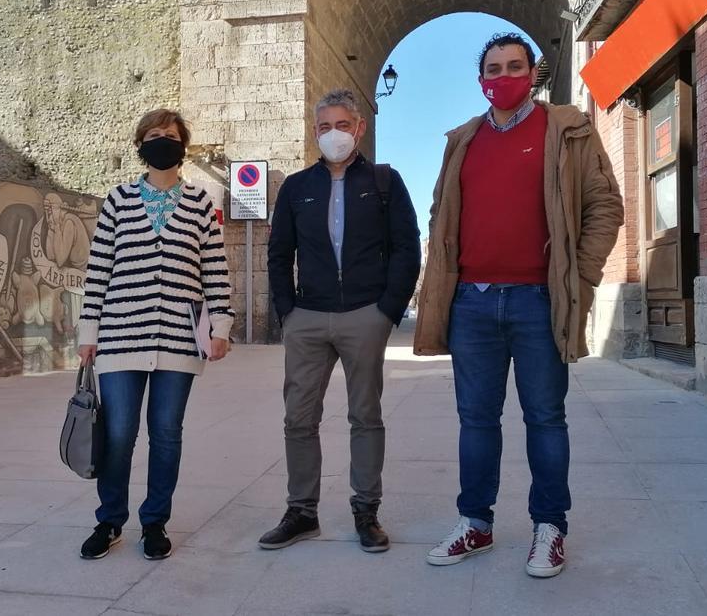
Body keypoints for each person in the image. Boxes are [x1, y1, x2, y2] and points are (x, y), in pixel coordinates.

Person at [415, 33, 624, 576]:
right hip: (473, 304)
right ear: (480, 78)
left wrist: (579, 277)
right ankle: (475, 525)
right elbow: (442, 214)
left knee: (546, 418)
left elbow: (605, 205)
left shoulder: (568, 130)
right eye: (493, 68)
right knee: (476, 421)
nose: (503, 76)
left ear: (533, 73)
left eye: (514, 66)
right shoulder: (462, 140)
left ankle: (549, 528)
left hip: (538, 302)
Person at [260, 88, 420, 553]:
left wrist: (387, 310)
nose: (333, 135)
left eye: (342, 125)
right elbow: (278, 254)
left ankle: (366, 512)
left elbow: (407, 249)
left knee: (365, 417)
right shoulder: (295, 187)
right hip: (307, 317)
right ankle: (301, 512)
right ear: (315, 132)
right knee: (298, 418)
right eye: (324, 127)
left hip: (364, 316)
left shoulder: (385, 182)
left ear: (360, 128)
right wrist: (287, 311)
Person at [77, 109, 234, 561]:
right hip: (120, 337)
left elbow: (215, 271)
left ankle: (155, 523)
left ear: (183, 145)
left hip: (180, 339)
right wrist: (89, 333)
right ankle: (109, 521)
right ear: (140, 144)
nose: (162, 140)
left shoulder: (201, 203)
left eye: (170, 135)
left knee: (166, 433)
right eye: (153, 135)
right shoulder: (118, 200)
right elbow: (99, 271)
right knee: (120, 433)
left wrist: (220, 326)